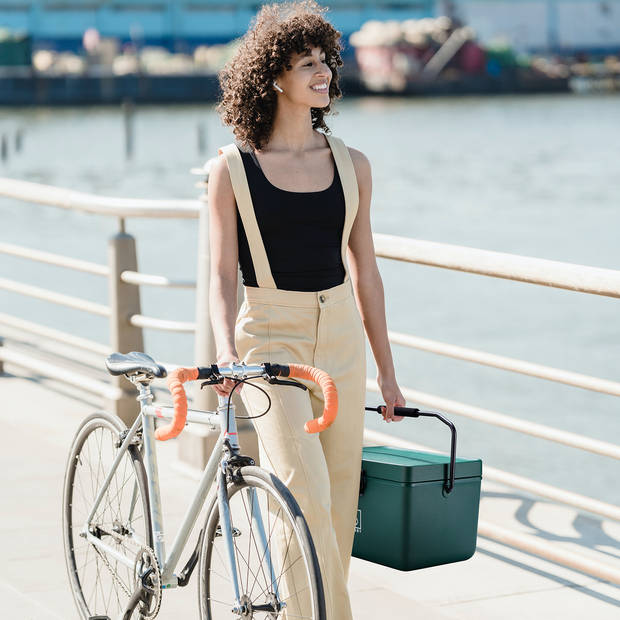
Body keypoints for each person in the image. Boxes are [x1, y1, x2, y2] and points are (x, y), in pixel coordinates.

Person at [207, 1, 406, 618]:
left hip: (342, 338)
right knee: (301, 493)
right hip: (271, 341)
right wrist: (226, 353)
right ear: (274, 77)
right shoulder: (232, 171)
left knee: (340, 504)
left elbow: (366, 271)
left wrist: (388, 375)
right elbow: (219, 274)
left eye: (326, 62)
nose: (323, 74)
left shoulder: (353, 165)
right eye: (306, 63)